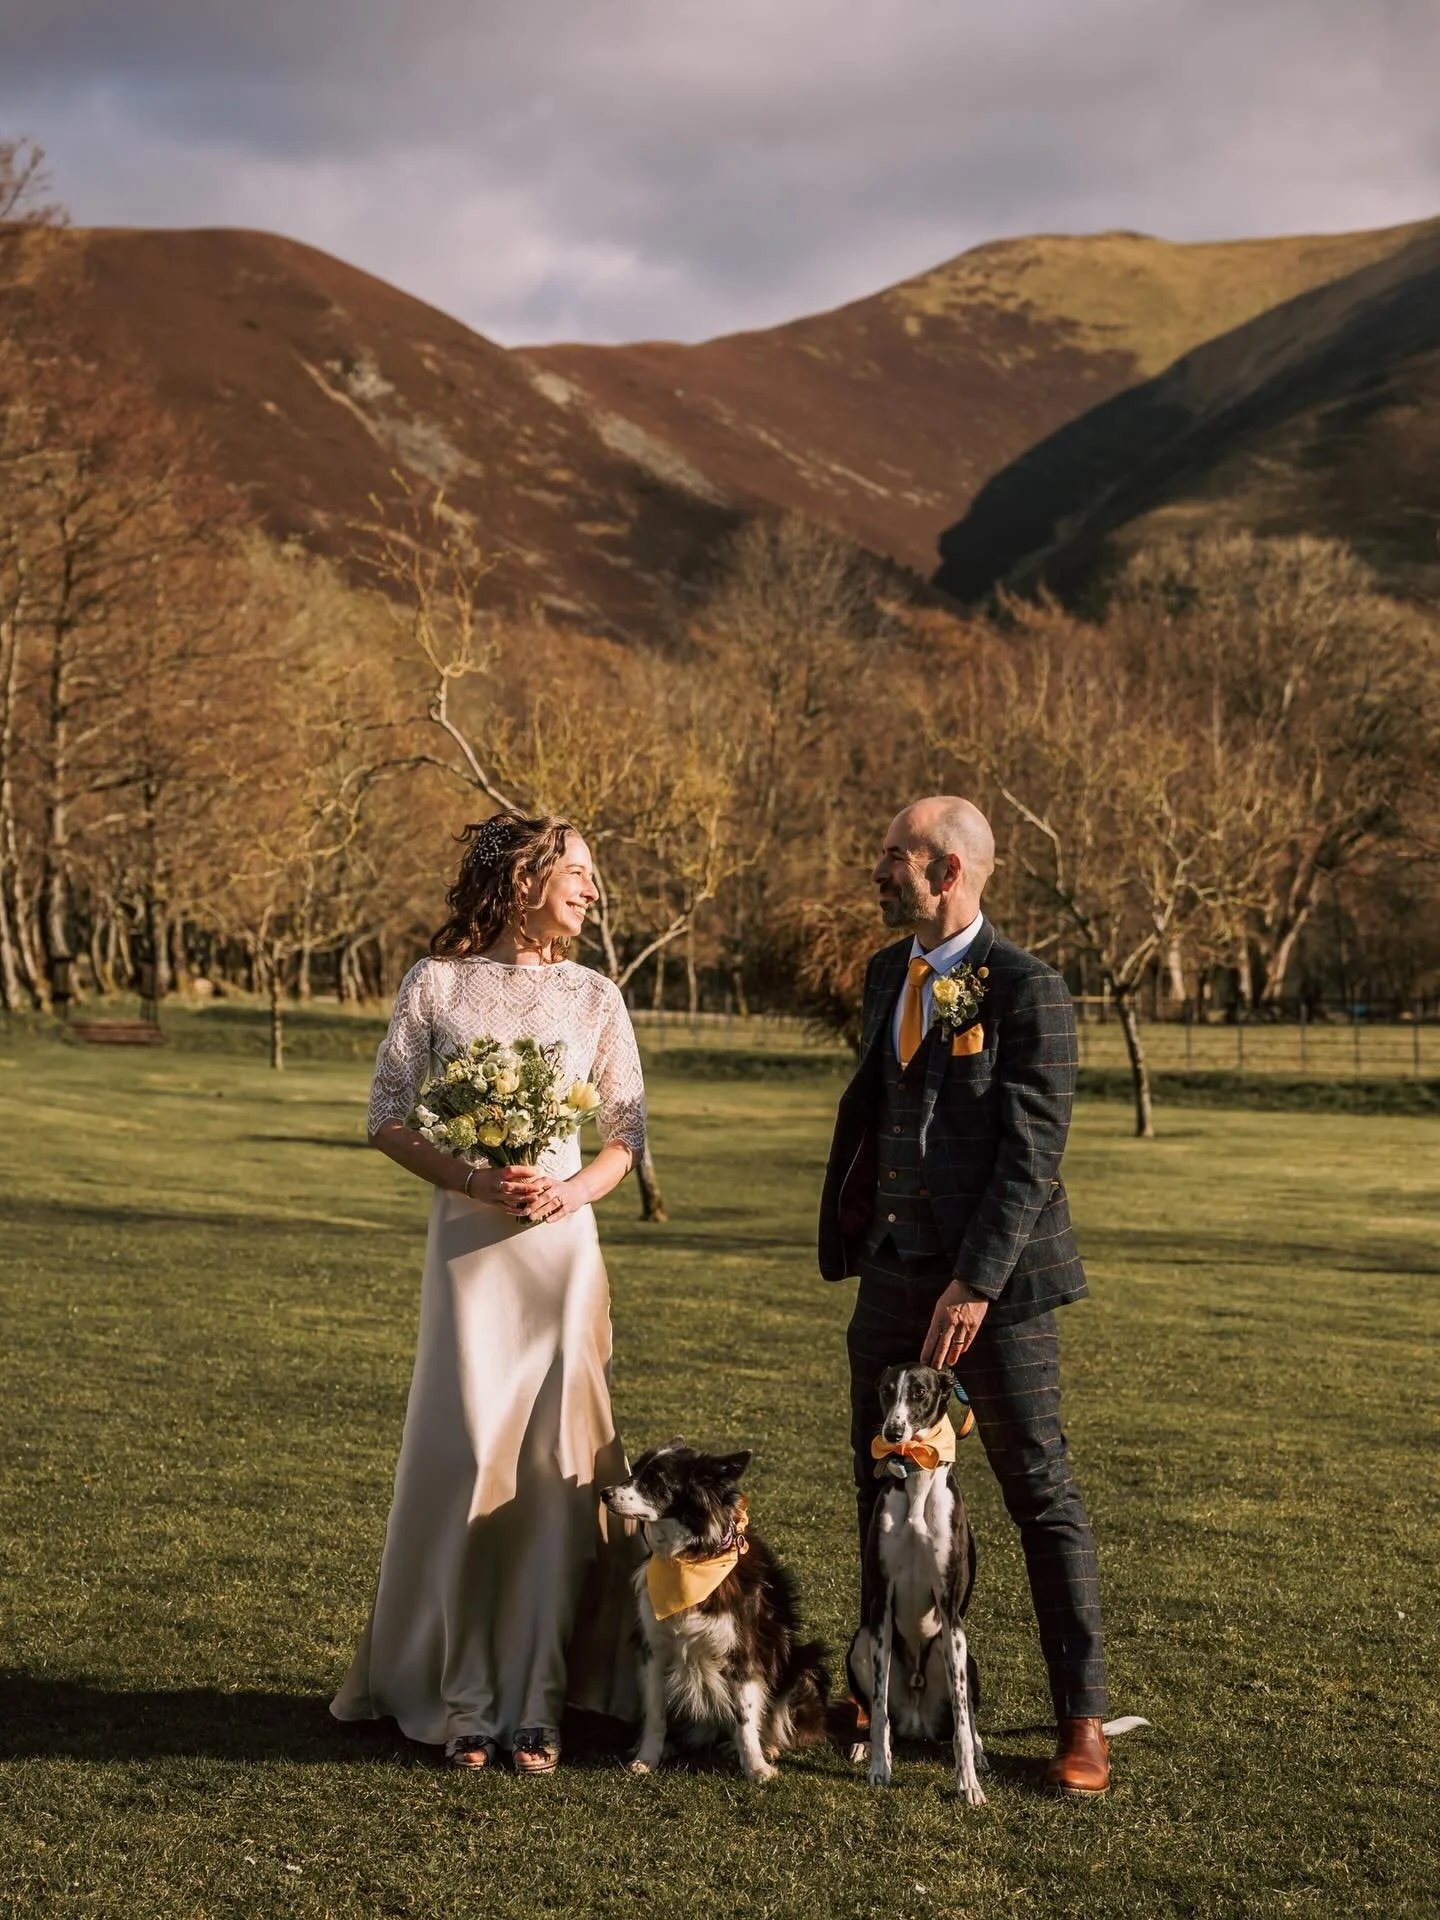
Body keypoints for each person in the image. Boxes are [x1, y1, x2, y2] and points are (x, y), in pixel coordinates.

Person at [331, 813, 646, 1775]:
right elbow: (386, 1116)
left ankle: (540, 1701)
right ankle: (464, 1699)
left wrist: (569, 1189)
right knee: (472, 1452)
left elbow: (625, 1137)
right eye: (580, 874)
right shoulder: (438, 985)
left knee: (556, 1473)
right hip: (471, 1245)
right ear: (523, 879)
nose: (593, 891)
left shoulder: (597, 997)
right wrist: (470, 1177)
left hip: (562, 1254)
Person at [818, 795, 1111, 1796]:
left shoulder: (1031, 990)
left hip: (999, 1291)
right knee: (877, 1487)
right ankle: (879, 1684)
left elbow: (1033, 1157)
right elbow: (883, 1108)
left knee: (1040, 1495)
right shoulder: (881, 975)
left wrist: (976, 1280)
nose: (875, 870)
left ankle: (1081, 1720)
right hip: (892, 1276)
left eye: (887, 855)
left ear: (944, 869)